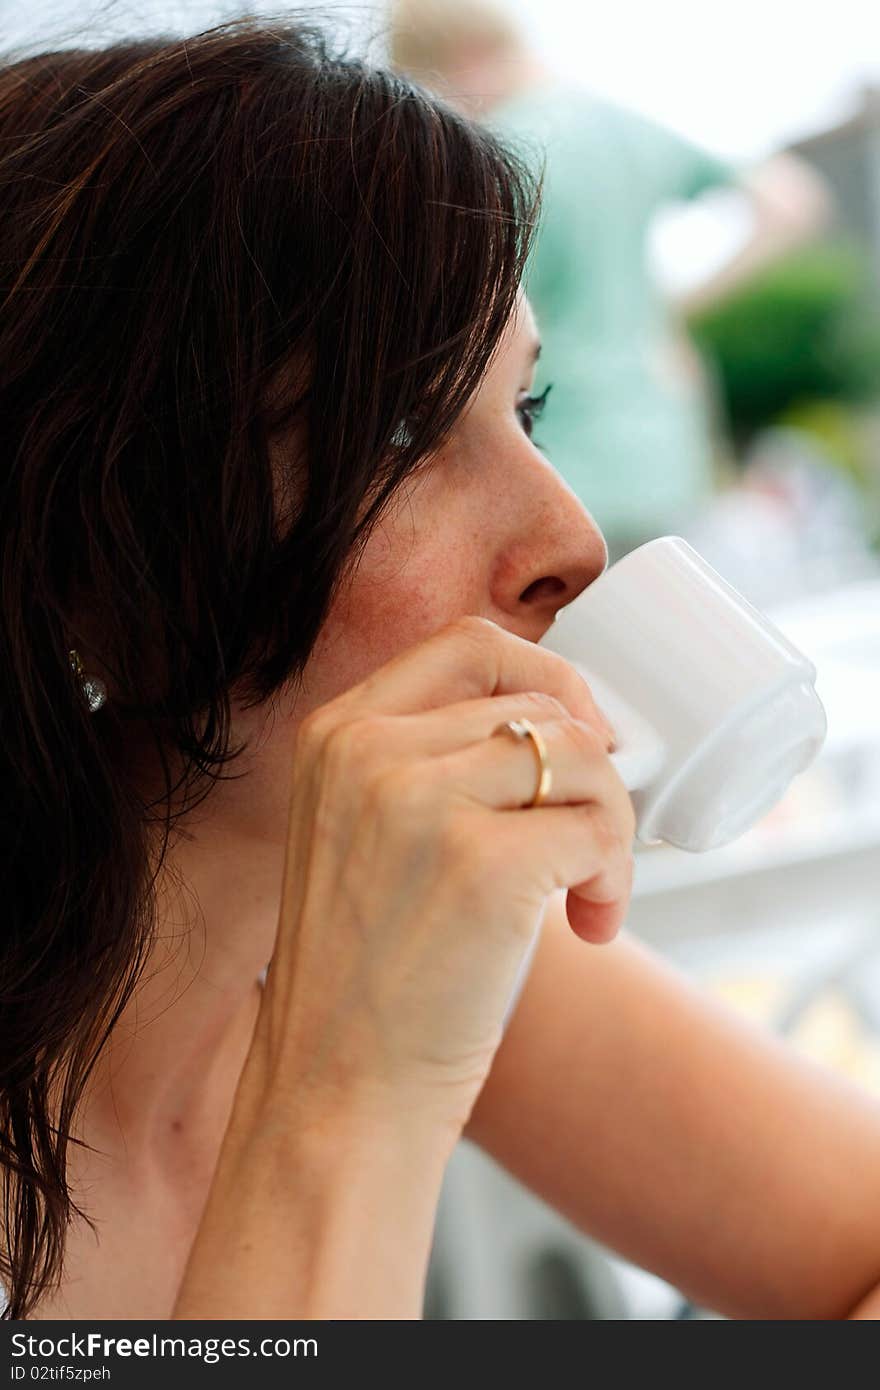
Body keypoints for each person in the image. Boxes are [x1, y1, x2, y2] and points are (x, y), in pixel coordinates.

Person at [1, 19, 879, 1323]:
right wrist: (355, 1077)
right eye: (402, 431)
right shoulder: (382, 961)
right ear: (95, 551)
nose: (573, 543)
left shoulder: (412, 930)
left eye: (523, 411)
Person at [389, 0, 833, 558]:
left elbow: (459, 338)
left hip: (559, 463)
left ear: (459, 57)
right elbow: (789, 201)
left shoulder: (489, 159)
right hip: (666, 453)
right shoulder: (617, 124)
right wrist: (670, 310)